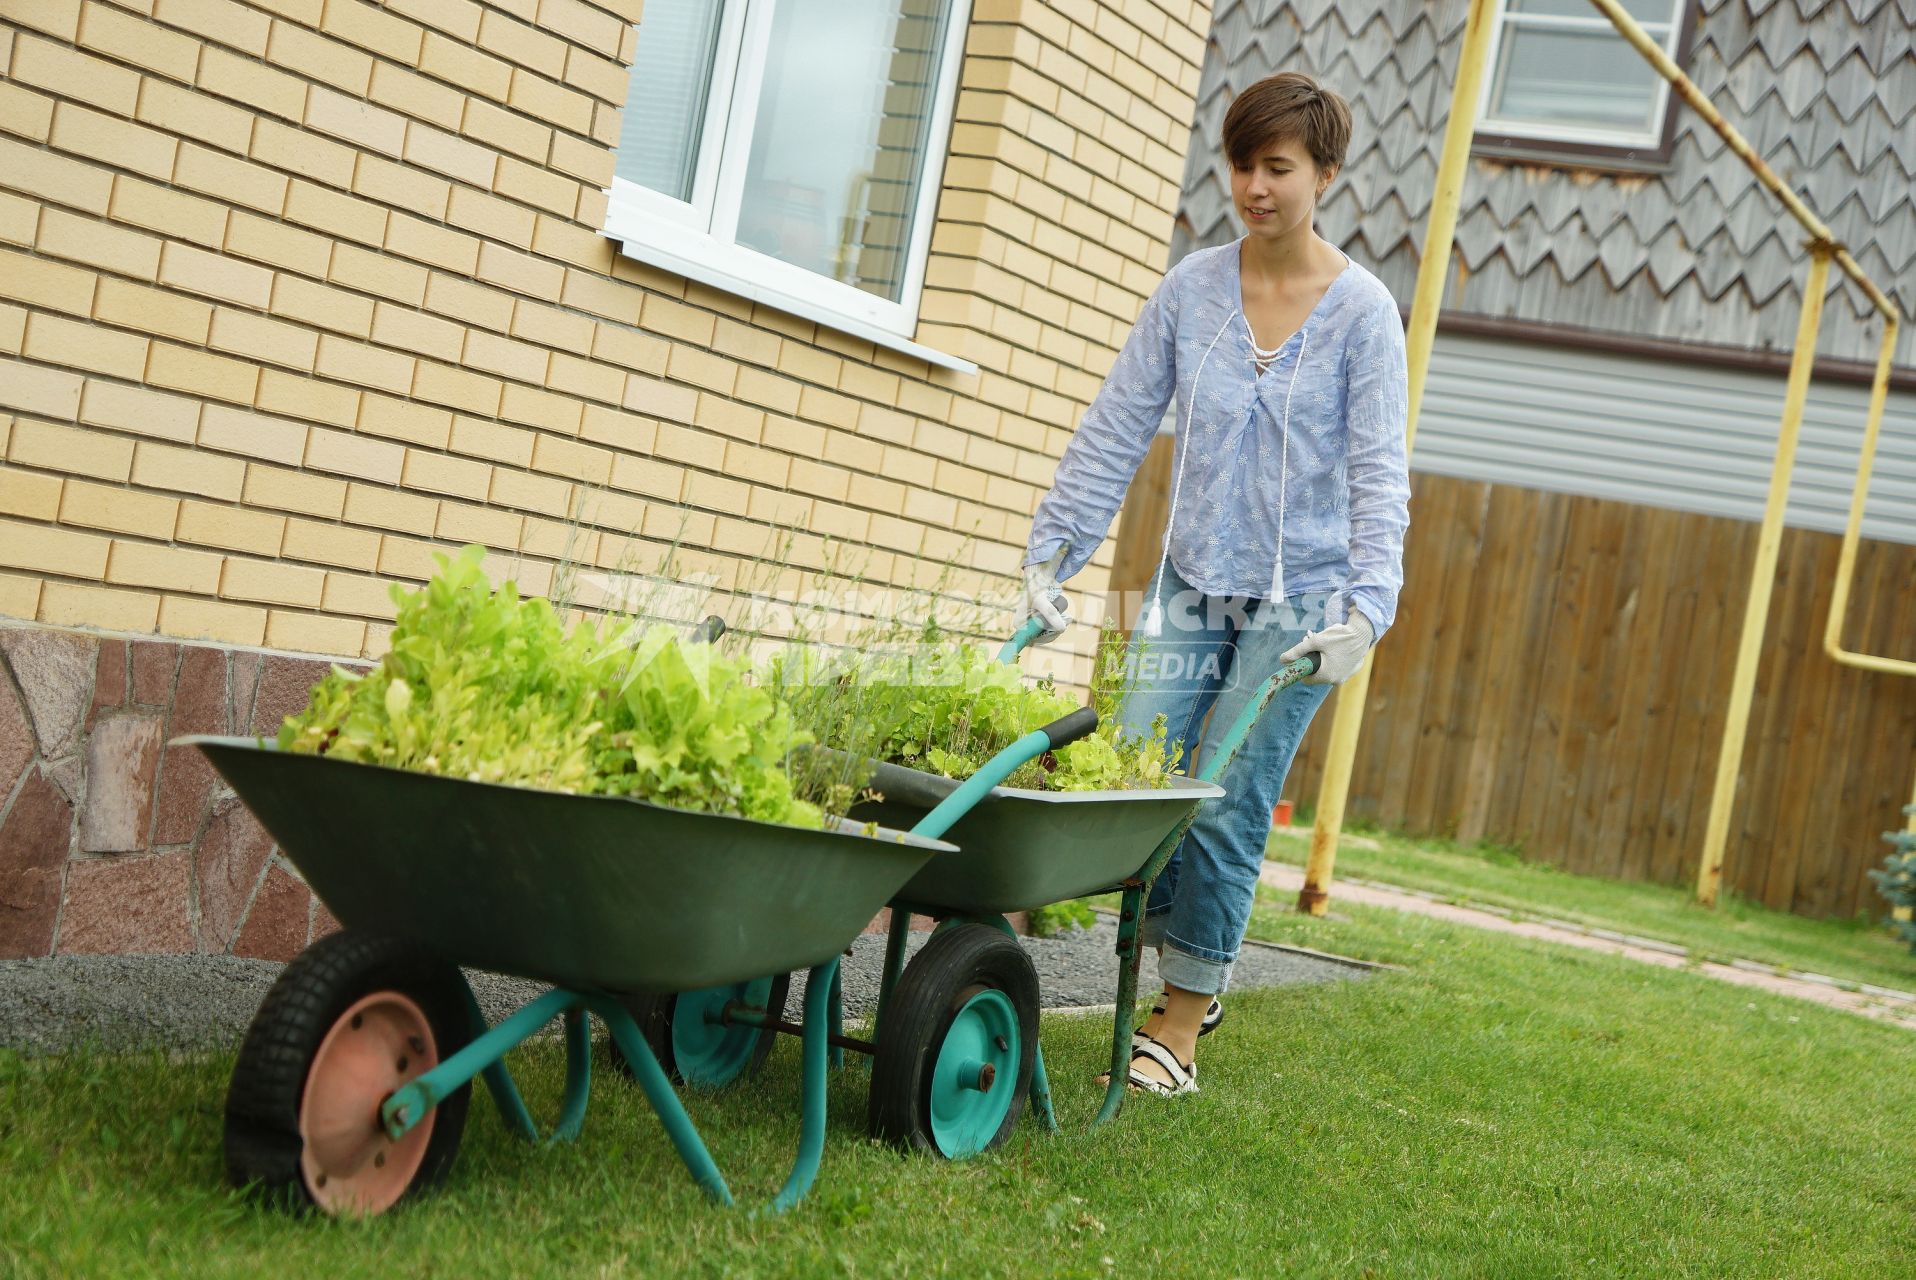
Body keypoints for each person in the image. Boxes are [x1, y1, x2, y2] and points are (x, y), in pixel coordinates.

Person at [1019, 72, 1411, 1095]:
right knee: (1144, 775)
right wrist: (1052, 544)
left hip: (1305, 599)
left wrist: (1368, 611)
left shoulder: (1362, 313)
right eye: (1240, 164)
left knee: (1230, 796)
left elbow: (1378, 473)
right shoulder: (1189, 290)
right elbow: (1117, 421)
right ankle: (1185, 966)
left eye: (1276, 167)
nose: (1253, 186)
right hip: (1192, 579)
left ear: (1323, 173)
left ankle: (1180, 1024)